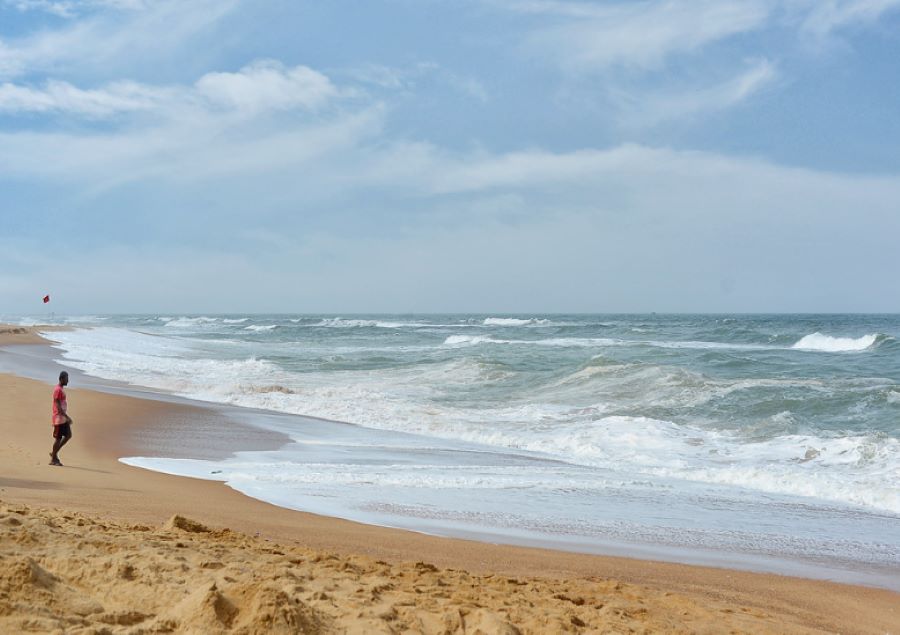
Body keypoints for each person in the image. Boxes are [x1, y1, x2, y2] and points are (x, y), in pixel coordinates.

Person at [50, 371, 73, 466]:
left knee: (68, 435)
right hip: (59, 418)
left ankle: (54, 453)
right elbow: (58, 405)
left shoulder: (61, 389)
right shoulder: (57, 390)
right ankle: (53, 459)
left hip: (63, 417)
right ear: (61, 379)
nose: (68, 380)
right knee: (58, 438)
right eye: (66, 379)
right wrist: (66, 416)